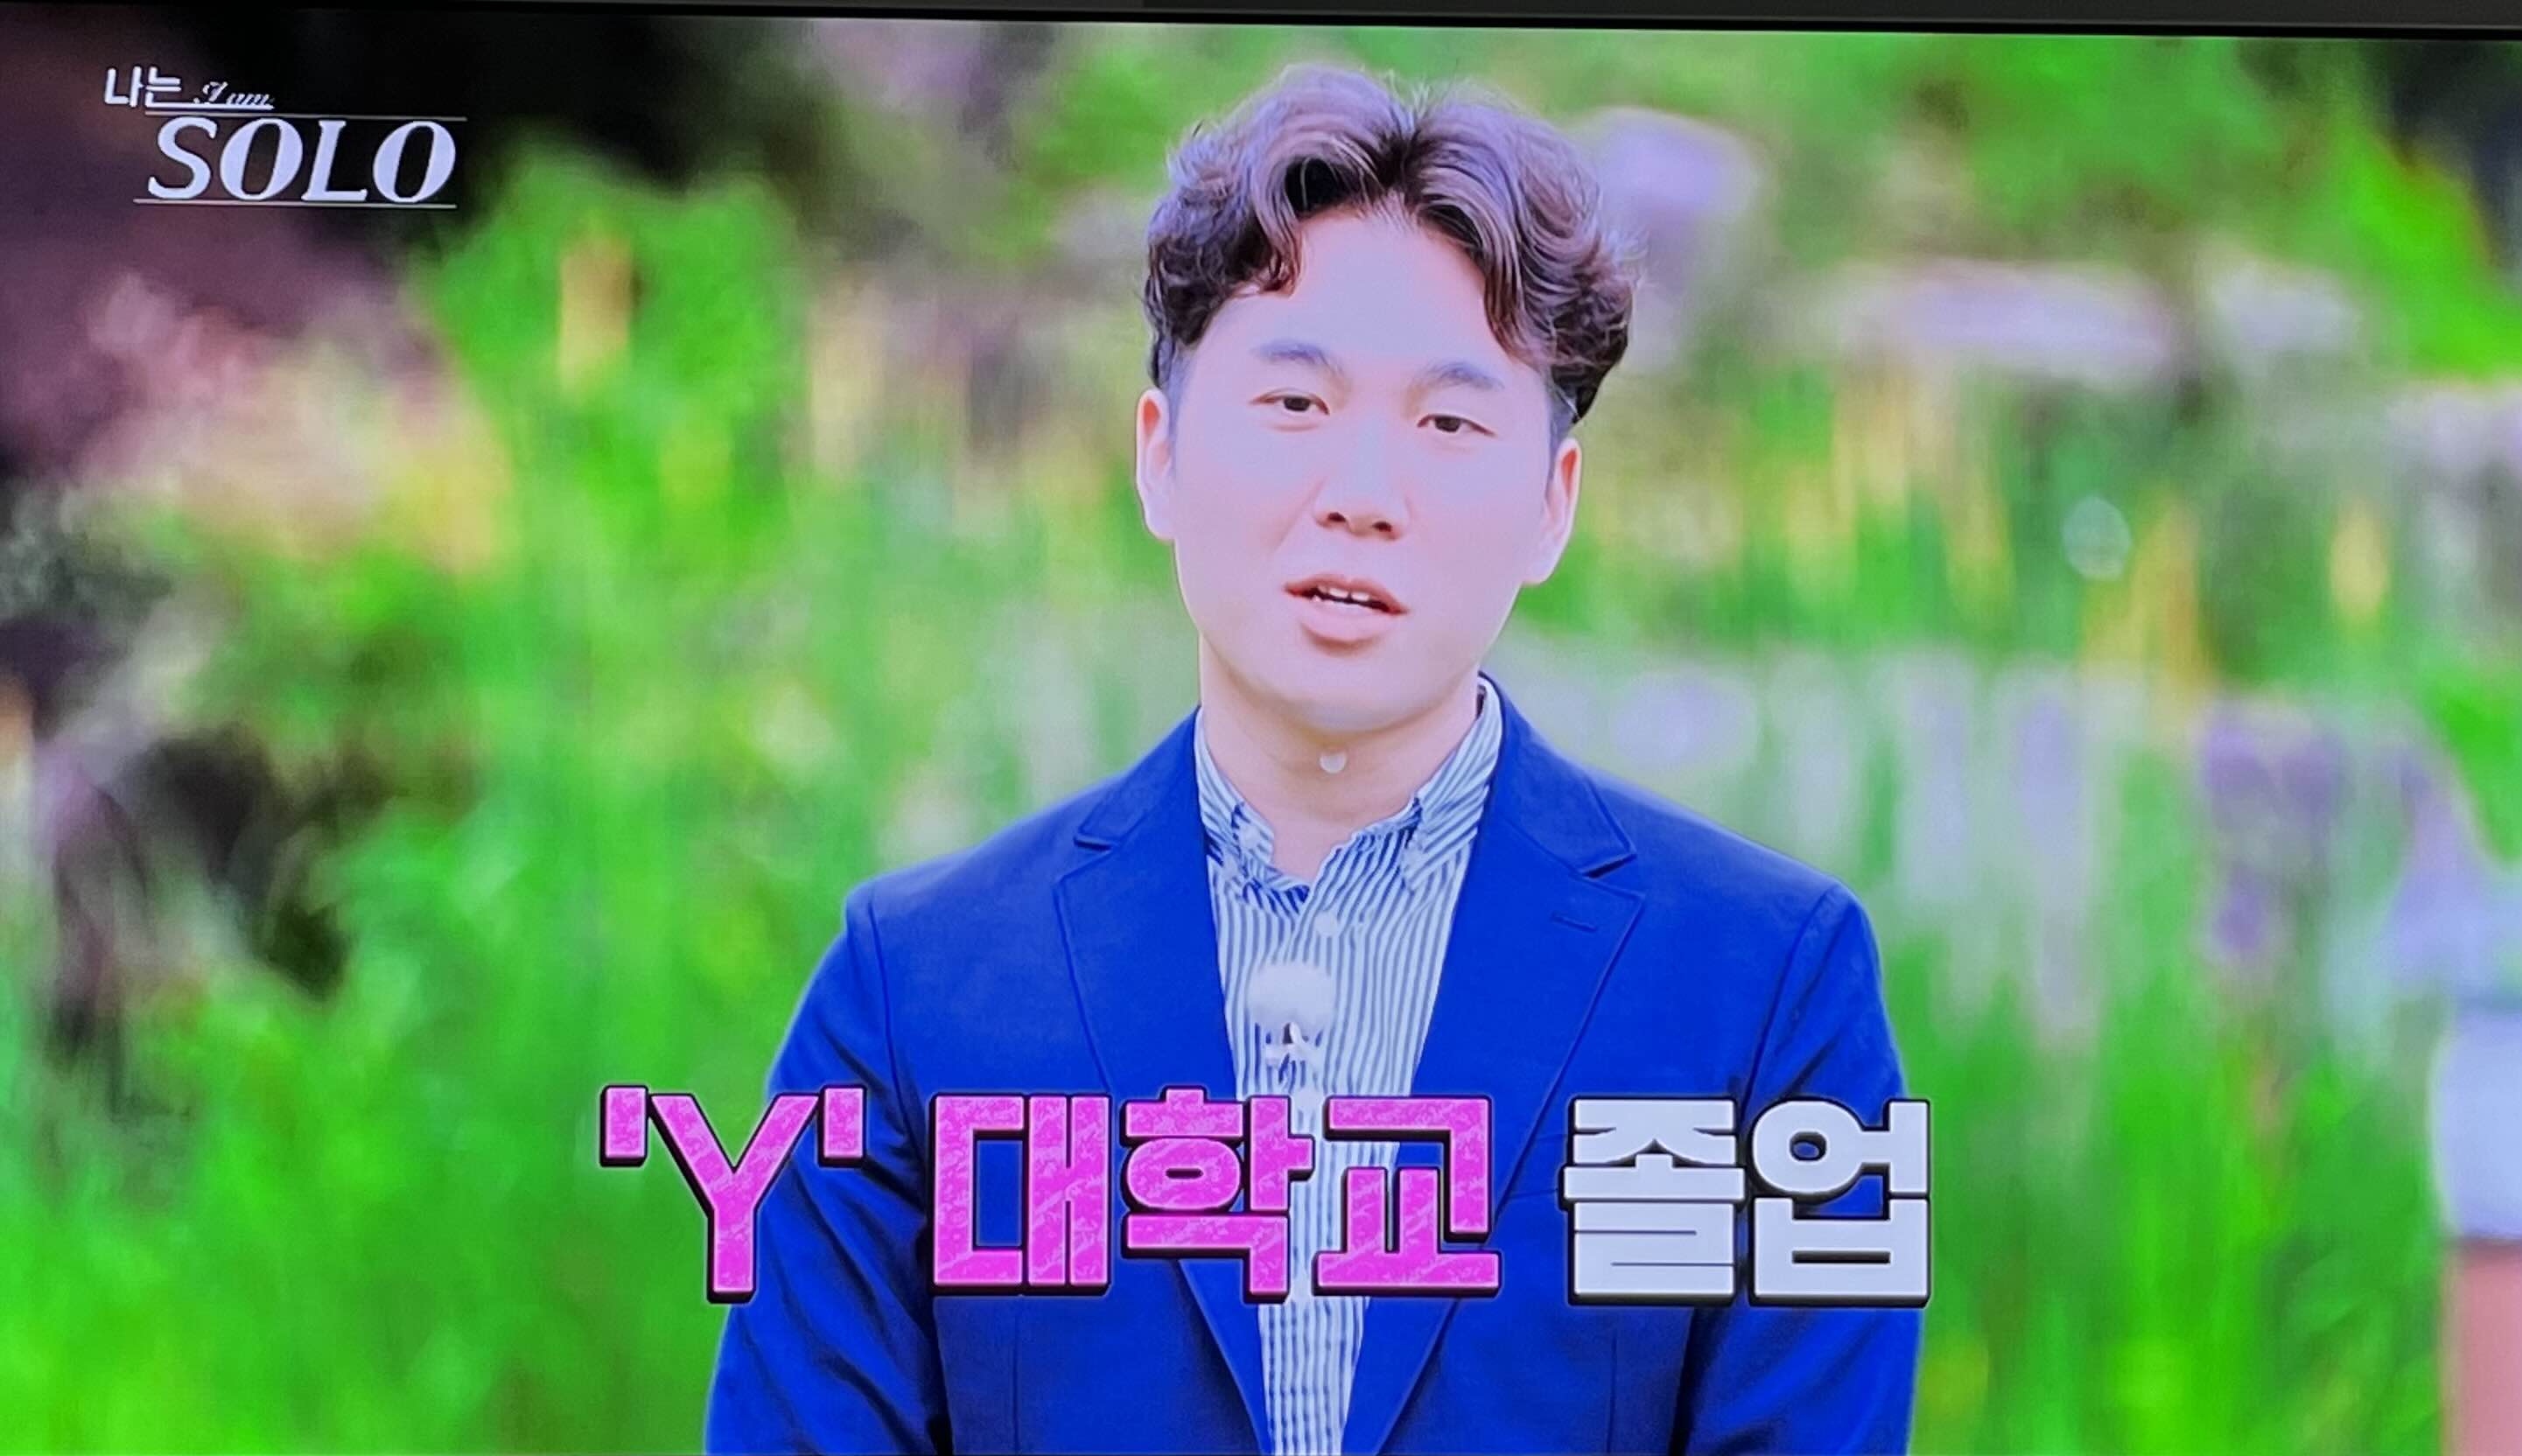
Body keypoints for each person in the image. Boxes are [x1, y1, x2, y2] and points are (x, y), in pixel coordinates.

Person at [705, 62, 1920, 1455]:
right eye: (1294, 403)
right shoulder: (912, 989)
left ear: (1551, 503)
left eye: (1449, 423)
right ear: (1158, 456)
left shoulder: (1766, 991)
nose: (1361, 496)